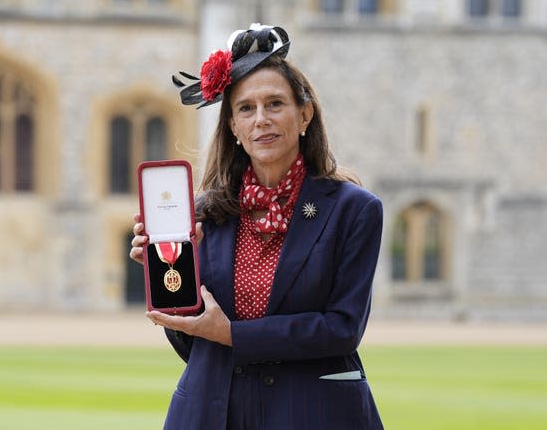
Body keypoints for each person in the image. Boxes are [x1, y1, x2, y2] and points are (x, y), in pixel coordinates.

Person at [130, 23, 385, 430]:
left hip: (311, 413)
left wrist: (234, 335)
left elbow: (341, 329)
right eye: (246, 108)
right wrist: (172, 276)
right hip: (211, 413)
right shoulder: (203, 214)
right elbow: (195, 343)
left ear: (304, 114)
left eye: (275, 104)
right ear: (232, 126)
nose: (261, 119)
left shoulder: (355, 210)